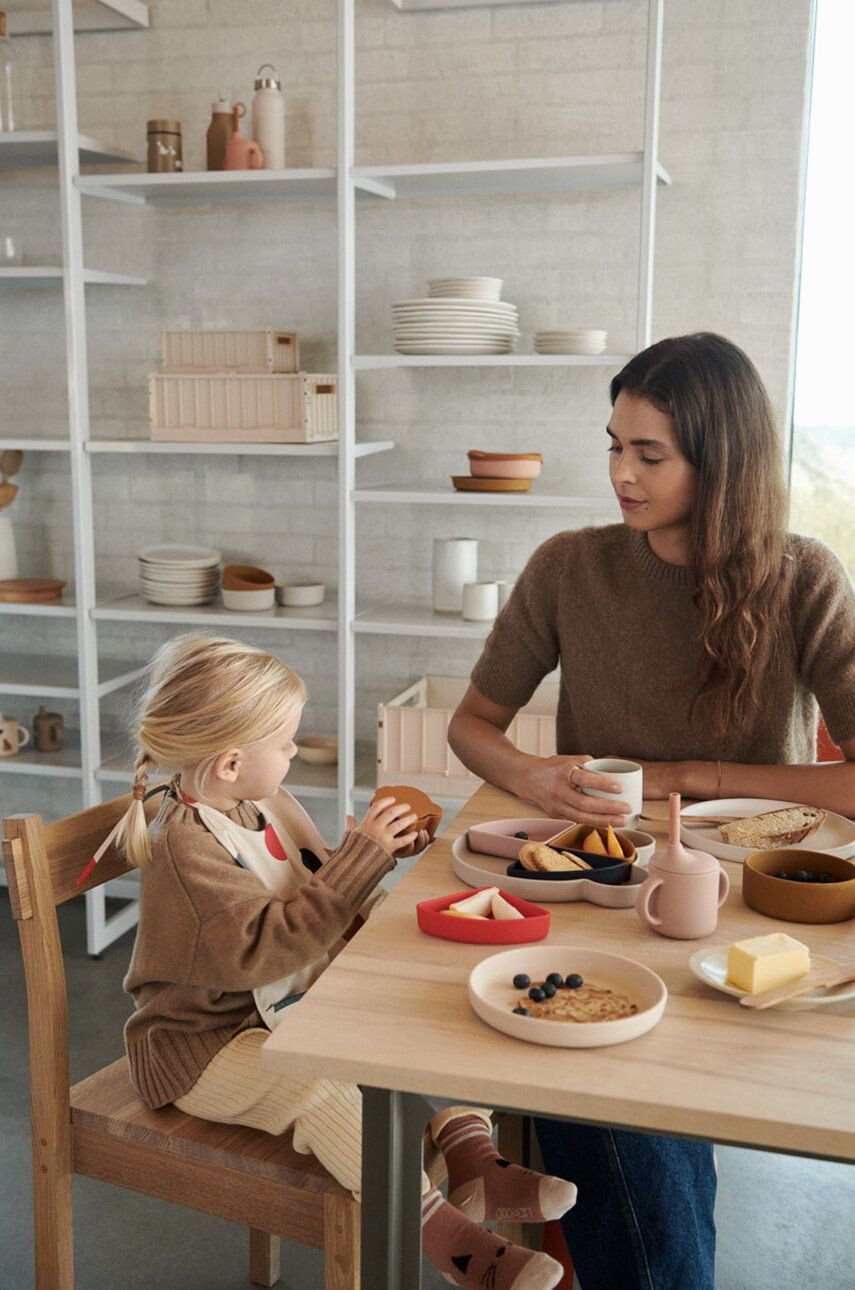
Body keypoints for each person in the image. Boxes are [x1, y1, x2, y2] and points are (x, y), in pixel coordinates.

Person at [448, 332, 855, 1290]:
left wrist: (693, 773)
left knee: (644, 1126)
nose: (620, 475)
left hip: (755, 908)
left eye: (649, 454)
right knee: (618, 1102)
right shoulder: (568, 568)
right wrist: (531, 778)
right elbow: (473, 725)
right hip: (596, 888)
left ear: (722, 461)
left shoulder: (804, 578)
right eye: (613, 446)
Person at [104, 633, 576, 1290]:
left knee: (420, 1015)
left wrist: (375, 850)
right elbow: (267, 947)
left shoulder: (245, 801)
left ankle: (474, 1162)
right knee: (319, 1090)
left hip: (275, 1013)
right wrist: (362, 859)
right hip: (201, 1047)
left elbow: (305, 882)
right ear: (233, 762)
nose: (296, 752)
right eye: (286, 742)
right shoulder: (188, 852)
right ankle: (451, 1244)